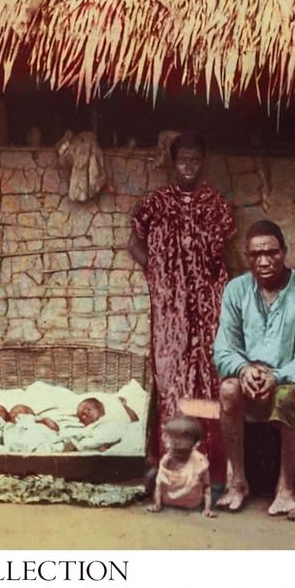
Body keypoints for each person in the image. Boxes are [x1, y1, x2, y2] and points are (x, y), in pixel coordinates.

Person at [128, 132, 235, 477]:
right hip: (170, 308)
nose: (188, 166)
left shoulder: (216, 204)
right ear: (173, 163)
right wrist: (160, 275)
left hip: (207, 305)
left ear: (202, 162)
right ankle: (172, 466)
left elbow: (223, 254)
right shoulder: (155, 203)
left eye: (194, 160)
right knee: (172, 376)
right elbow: (134, 244)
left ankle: (210, 466)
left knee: (207, 374)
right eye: (182, 160)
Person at [213, 220, 295, 515]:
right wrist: (243, 369)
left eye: (272, 252)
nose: (264, 261)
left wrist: (277, 375)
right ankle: (238, 482)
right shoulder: (236, 290)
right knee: (228, 389)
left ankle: (285, 489)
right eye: (255, 255)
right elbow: (224, 347)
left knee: (285, 396)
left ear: (285, 251)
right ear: (247, 256)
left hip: (292, 377)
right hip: (251, 376)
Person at [147, 415, 214, 517]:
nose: (176, 445)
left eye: (181, 445)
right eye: (174, 444)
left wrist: (207, 509)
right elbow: (159, 485)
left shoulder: (199, 460)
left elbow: (207, 487)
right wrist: (157, 504)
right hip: (170, 500)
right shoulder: (166, 459)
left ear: (195, 444)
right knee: (151, 474)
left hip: (193, 502)